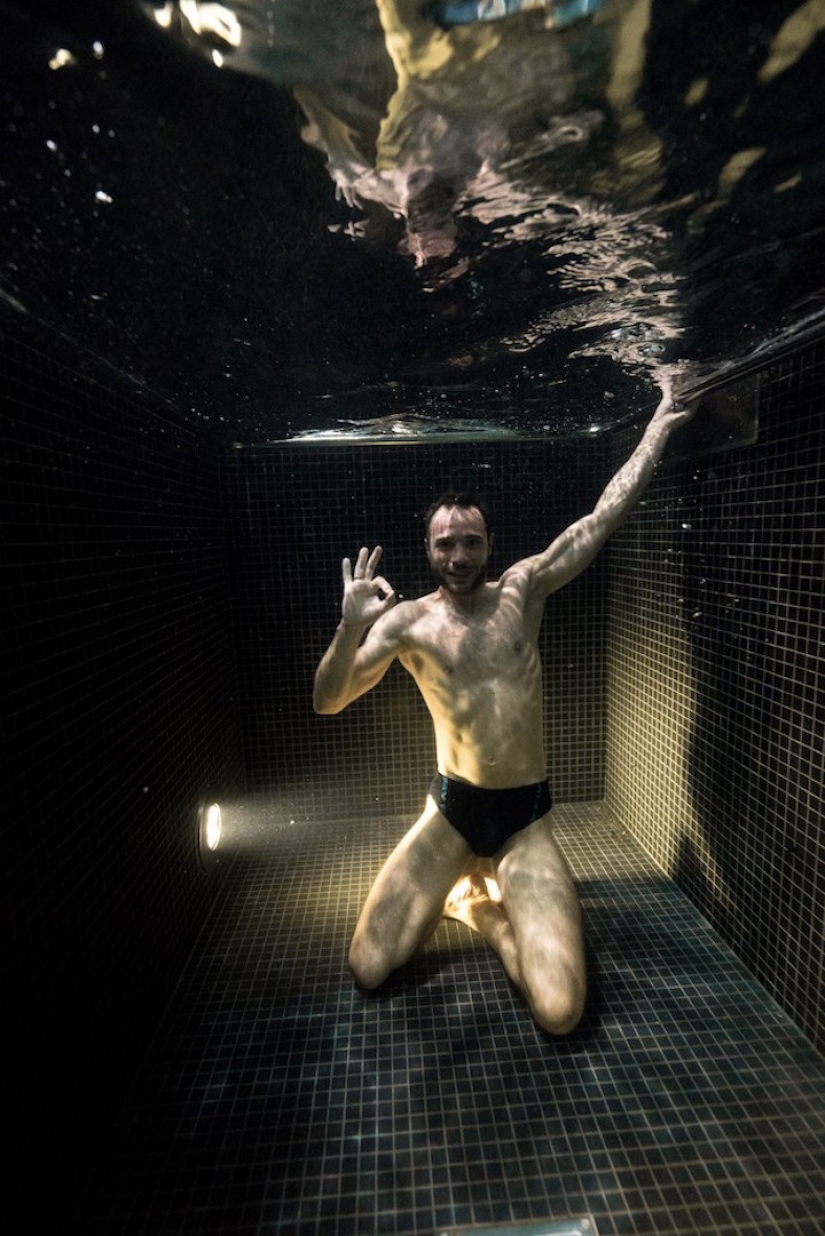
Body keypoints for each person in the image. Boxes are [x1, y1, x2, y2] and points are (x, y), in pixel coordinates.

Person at [313, 383, 693, 1034]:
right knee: (368, 967)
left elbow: (601, 519)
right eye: (443, 545)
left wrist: (659, 423)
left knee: (560, 1012)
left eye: (468, 542)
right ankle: (463, 886)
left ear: (489, 544)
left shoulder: (522, 589)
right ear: (428, 549)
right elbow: (328, 701)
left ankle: (476, 908)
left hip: (524, 820)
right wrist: (349, 627)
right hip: (450, 813)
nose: (456, 557)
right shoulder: (406, 623)